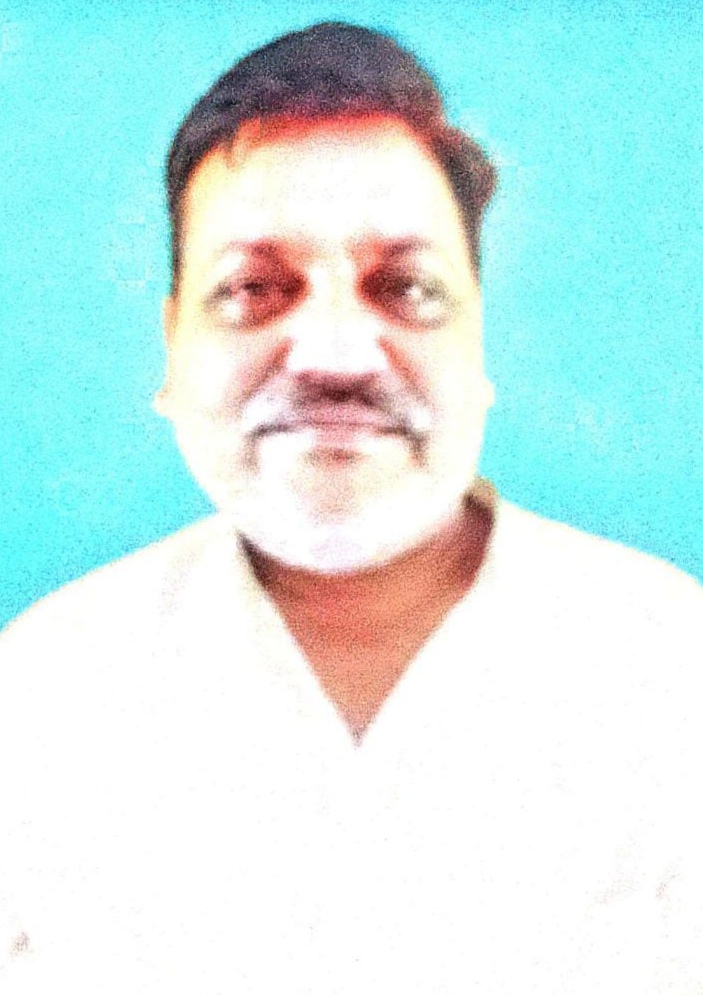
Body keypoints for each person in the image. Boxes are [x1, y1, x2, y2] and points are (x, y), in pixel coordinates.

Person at [1, 21, 701, 993]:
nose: (334, 353)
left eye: (405, 288)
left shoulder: (669, 671)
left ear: (477, 341)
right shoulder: (42, 693)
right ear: (171, 346)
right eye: (253, 288)